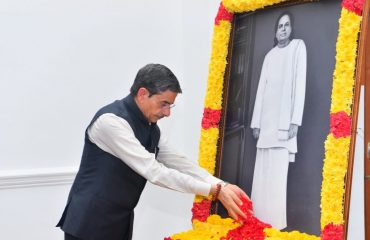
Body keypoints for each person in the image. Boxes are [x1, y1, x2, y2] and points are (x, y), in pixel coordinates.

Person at [57, 63, 249, 240]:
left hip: (119, 219)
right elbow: (154, 171)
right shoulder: (111, 122)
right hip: (89, 223)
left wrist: (220, 184)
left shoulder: (151, 127)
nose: (167, 112)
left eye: (170, 105)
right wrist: (213, 191)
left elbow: (177, 161)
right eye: (163, 104)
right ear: (142, 94)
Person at [250, 12, 307, 230]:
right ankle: (257, 220)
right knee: (262, 176)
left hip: (284, 126)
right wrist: (257, 123)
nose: (283, 29)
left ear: (291, 29)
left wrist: (295, 121)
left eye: (287, 25)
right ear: (276, 30)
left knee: (276, 178)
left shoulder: (298, 48)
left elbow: (299, 85)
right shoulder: (270, 55)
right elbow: (261, 91)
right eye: (280, 26)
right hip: (265, 125)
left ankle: (275, 225)